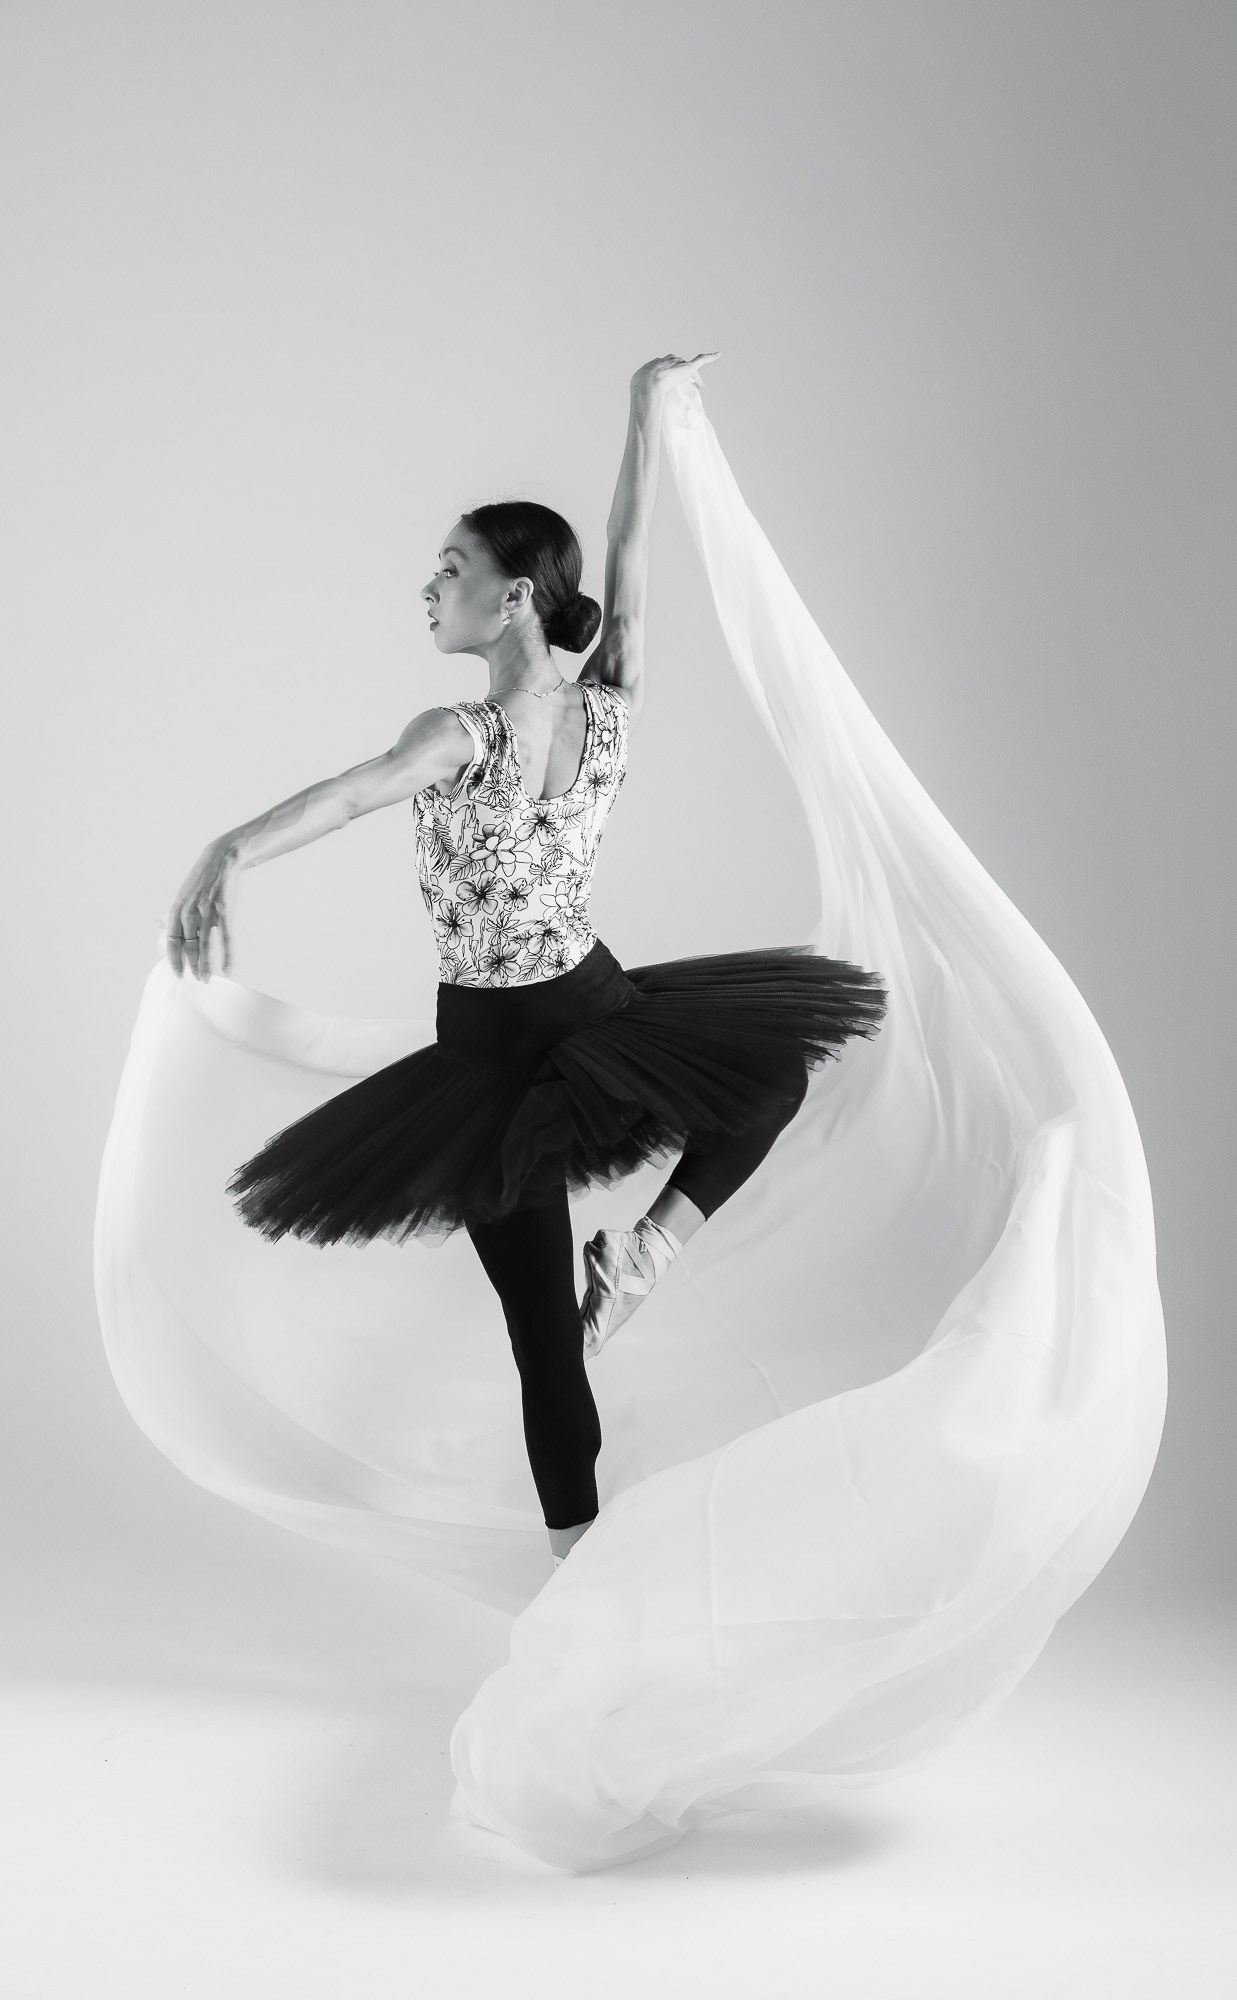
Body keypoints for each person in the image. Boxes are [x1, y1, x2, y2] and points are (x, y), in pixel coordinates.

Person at [163, 353, 887, 1569]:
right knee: (555, 1329)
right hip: (541, 1034)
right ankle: (580, 1576)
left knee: (730, 1126)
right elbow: (627, 549)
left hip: (549, 1031)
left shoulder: (462, 731)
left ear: (510, 600)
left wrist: (226, 848)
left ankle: (642, 1255)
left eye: (450, 569)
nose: (428, 585)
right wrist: (645, 413)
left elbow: (352, 794)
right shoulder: (605, 698)